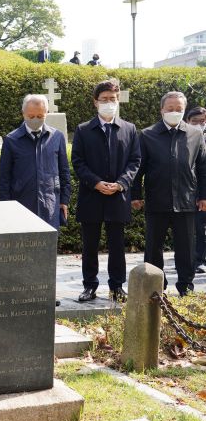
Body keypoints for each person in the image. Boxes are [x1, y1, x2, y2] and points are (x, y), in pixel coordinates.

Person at [72, 79, 141, 303]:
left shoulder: (129, 129)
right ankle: (89, 286)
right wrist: (96, 183)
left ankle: (117, 286)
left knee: (117, 244)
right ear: (95, 102)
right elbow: (78, 162)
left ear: (118, 100)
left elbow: (135, 161)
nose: (109, 103)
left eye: (112, 99)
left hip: (118, 196)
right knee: (90, 244)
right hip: (92, 195)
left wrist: (121, 183)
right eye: (104, 100)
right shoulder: (83, 130)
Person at [132, 92, 206, 297]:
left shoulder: (195, 134)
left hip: (186, 199)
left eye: (179, 109)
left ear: (184, 109)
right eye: (170, 108)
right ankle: (155, 286)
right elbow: (139, 168)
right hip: (157, 200)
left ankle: (186, 287)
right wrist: (135, 194)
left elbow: (202, 168)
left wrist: (203, 196)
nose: (174, 112)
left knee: (186, 247)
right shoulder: (147, 134)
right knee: (153, 247)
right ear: (162, 110)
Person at [0, 94, 71, 229]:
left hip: (50, 204)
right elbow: (4, 177)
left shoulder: (57, 137)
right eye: (31, 116)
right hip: (20, 204)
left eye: (40, 116)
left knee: (48, 247)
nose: (35, 120)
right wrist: (5, 207)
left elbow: (64, 172)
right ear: (23, 114)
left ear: (46, 113)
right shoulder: (11, 140)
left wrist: (64, 200)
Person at [187, 107, 206, 273]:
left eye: (203, 121)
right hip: (195, 192)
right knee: (198, 228)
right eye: (195, 122)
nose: (200, 125)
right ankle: (198, 260)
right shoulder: (185, 139)